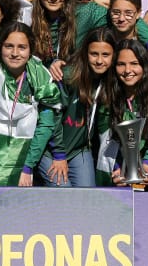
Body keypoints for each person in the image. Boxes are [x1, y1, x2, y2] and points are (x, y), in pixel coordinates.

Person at [0, 22, 60, 186]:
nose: (15, 53)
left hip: (25, 155)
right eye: (9, 46)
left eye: (22, 47)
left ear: (31, 49)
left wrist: (27, 167)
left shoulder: (41, 78)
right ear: (0, 47)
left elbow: (46, 125)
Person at [39, 26, 115, 188]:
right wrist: (58, 155)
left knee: (87, 196)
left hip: (79, 150)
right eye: (94, 54)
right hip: (50, 150)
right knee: (65, 191)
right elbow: (52, 118)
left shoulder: (109, 81)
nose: (100, 60)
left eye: (106, 55)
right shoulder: (67, 76)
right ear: (85, 53)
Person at [102, 38, 148, 190]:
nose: (128, 70)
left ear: (144, 65)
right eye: (121, 64)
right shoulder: (107, 94)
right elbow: (104, 136)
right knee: (120, 191)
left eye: (134, 64)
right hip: (121, 154)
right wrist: (116, 167)